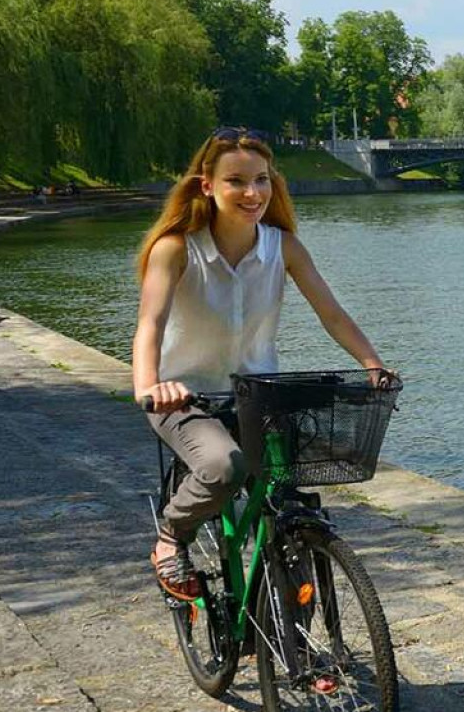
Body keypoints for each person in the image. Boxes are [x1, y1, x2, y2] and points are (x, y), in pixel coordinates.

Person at [132, 127, 392, 600]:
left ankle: (297, 647)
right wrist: (150, 385)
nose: (252, 193)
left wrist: (373, 364)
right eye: (236, 181)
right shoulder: (176, 248)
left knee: (293, 507)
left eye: (261, 180)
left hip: (258, 394)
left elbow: (331, 313)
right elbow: (151, 322)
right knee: (223, 466)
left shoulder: (283, 247)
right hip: (185, 397)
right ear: (207, 184)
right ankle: (170, 537)